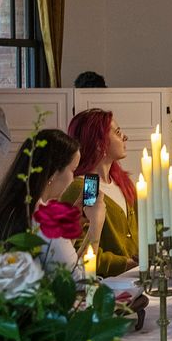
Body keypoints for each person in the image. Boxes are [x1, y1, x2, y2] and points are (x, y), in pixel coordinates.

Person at [0, 129, 84, 275]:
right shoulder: (44, 220)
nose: (73, 178)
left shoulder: (3, 208)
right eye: (73, 170)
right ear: (54, 172)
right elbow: (79, 280)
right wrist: (96, 226)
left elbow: (57, 255)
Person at [60, 109, 138, 277]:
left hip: (134, 279)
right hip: (108, 284)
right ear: (98, 143)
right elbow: (81, 249)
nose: (125, 137)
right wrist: (127, 264)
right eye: (117, 132)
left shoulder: (121, 182)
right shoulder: (88, 187)